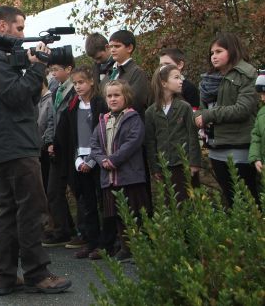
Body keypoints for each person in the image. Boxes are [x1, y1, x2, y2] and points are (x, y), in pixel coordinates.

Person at [0, 5, 72, 296]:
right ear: (2, 25)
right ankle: (37, 274)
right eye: (20, 28)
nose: (23, 34)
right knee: (31, 208)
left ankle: (5, 277)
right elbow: (16, 95)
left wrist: (27, 64)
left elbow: (11, 91)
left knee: (11, 211)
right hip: (14, 143)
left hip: (6, 142)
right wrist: (37, 66)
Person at [195, 32, 259, 206]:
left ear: (232, 50)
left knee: (249, 202)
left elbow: (243, 109)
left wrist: (208, 115)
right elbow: (201, 110)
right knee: (231, 201)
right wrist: (197, 117)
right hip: (215, 146)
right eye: (211, 53)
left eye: (218, 51)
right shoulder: (208, 80)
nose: (213, 56)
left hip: (239, 146)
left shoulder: (246, 73)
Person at [89, 80, 150, 263]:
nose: (113, 99)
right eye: (109, 96)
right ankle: (125, 247)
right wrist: (102, 160)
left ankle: (139, 247)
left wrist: (113, 160)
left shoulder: (133, 118)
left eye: (117, 95)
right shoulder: (102, 120)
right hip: (109, 177)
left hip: (130, 176)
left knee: (135, 213)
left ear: (126, 97)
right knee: (117, 214)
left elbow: (132, 143)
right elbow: (95, 145)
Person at [56, 66, 109, 259]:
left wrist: (94, 159)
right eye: (75, 83)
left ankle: (106, 243)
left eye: (81, 82)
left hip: (99, 159)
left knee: (104, 201)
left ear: (91, 82)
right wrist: (77, 159)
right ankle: (91, 240)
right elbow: (68, 135)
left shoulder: (100, 104)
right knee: (87, 203)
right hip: (80, 159)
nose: (78, 87)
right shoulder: (73, 105)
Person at [145, 65, 201, 202]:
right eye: (176, 77)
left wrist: (194, 163)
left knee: (190, 202)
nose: (181, 80)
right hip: (165, 167)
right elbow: (150, 142)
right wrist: (155, 168)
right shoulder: (151, 112)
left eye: (180, 77)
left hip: (184, 164)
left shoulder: (184, 107)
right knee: (170, 203)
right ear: (163, 83)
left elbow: (192, 136)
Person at [42, 62, 81, 248]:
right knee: (53, 190)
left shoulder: (75, 90)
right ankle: (62, 229)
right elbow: (52, 119)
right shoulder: (55, 90)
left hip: (71, 147)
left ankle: (83, 231)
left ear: (68, 69)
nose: (53, 74)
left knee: (78, 190)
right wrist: (50, 141)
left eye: (56, 69)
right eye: (50, 70)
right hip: (56, 147)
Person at [101, 30, 151, 119]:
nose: (112, 50)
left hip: (130, 124)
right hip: (109, 125)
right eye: (111, 46)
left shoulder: (138, 73)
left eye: (117, 46)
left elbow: (135, 102)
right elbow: (101, 98)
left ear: (129, 48)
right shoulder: (109, 72)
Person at [249, 73, 265, 178]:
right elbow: (256, 137)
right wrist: (256, 158)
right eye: (261, 94)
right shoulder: (261, 113)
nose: (262, 98)